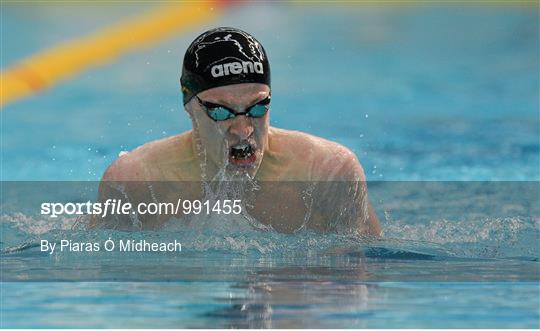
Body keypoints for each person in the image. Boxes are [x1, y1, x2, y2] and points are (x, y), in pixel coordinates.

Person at [95, 27, 381, 236]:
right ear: (189, 104)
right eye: (221, 112)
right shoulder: (135, 181)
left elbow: (364, 276)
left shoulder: (327, 173)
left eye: (258, 108)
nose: (243, 130)